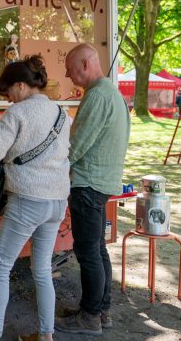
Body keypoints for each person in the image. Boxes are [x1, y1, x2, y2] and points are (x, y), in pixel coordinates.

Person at [0, 55, 71, 341]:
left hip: (27, 200)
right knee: (42, 270)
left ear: (21, 86)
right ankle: (46, 336)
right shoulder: (61, 113)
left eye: (9, 92)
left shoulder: (17, 114)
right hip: (57, 201)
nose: (9, 99)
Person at [55, 44, 130, 336]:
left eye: (70, 69)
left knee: (88, 252)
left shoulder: (97, 95)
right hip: (102, 181)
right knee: (97, 250)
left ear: (86, 65)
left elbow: (77, 145)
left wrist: (53, 168)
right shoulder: (112, 92)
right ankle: (101, 309)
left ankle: (90, 316)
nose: (67, 74)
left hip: (88, 182)